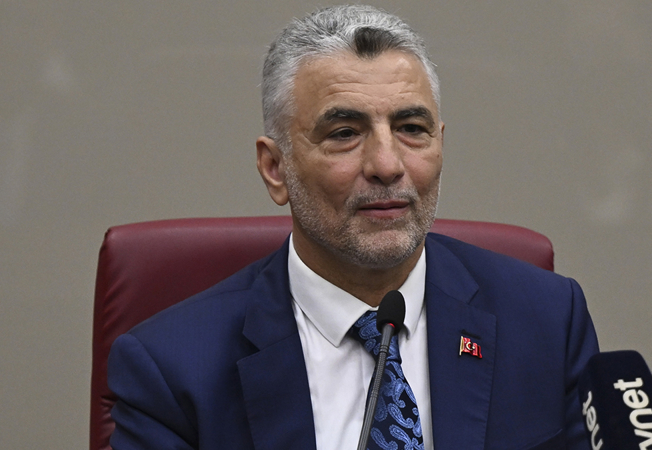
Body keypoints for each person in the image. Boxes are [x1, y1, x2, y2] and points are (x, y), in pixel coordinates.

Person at [107, 5, 599, 450]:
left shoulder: (548, 322)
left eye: (412, 129)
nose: (387, 165)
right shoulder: (171, 369)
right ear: (276, 169)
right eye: (344, 133)